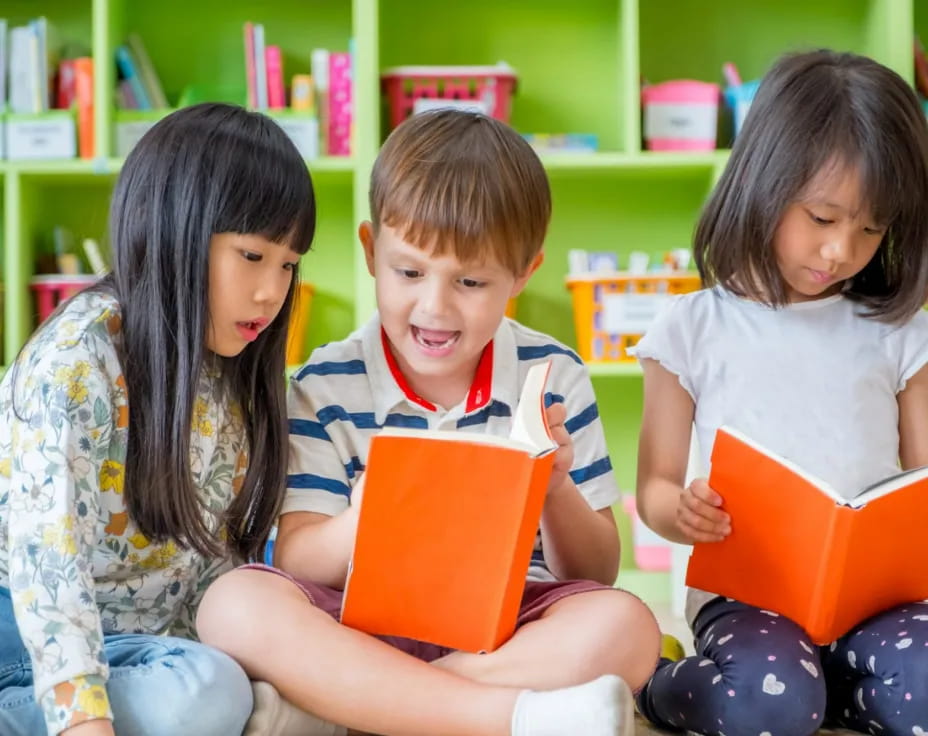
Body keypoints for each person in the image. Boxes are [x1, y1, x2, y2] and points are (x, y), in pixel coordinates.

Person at [196, 108, 661, 736]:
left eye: (470, 280)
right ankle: (502, 717)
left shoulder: (553, 374)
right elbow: (302, 558)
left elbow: (594, 571)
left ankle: (355, 711)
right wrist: (367, 520)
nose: (435, 307)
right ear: (370, 250)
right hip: (356, 624)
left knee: (628, 626)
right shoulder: (323, 384)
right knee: (234, 604)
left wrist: (555, 488)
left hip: (505, 629)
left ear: (523, 273)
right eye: (409, 272)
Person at [633, 49, 928, 736]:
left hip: (877, 600)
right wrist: (683, 512)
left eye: (871, 228)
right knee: (769, 703)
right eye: (822, 218)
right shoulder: (693, 326)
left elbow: (920, 483)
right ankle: (657, 681)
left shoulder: (900, 332)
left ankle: (828, 689)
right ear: (763, 182)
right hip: (748, 597)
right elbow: (653, 490)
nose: (840, 252)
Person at [0, 102, 316, 736]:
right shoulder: (75, 361)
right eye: (252, 256)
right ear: (173, 233)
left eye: (287, 263)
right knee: (210, 693)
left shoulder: (231, 367)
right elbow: (47, 568)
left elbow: (219, 565)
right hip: (31, 639)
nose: (271, 291)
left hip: (146, 649)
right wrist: (82, 720)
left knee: (270, 680)